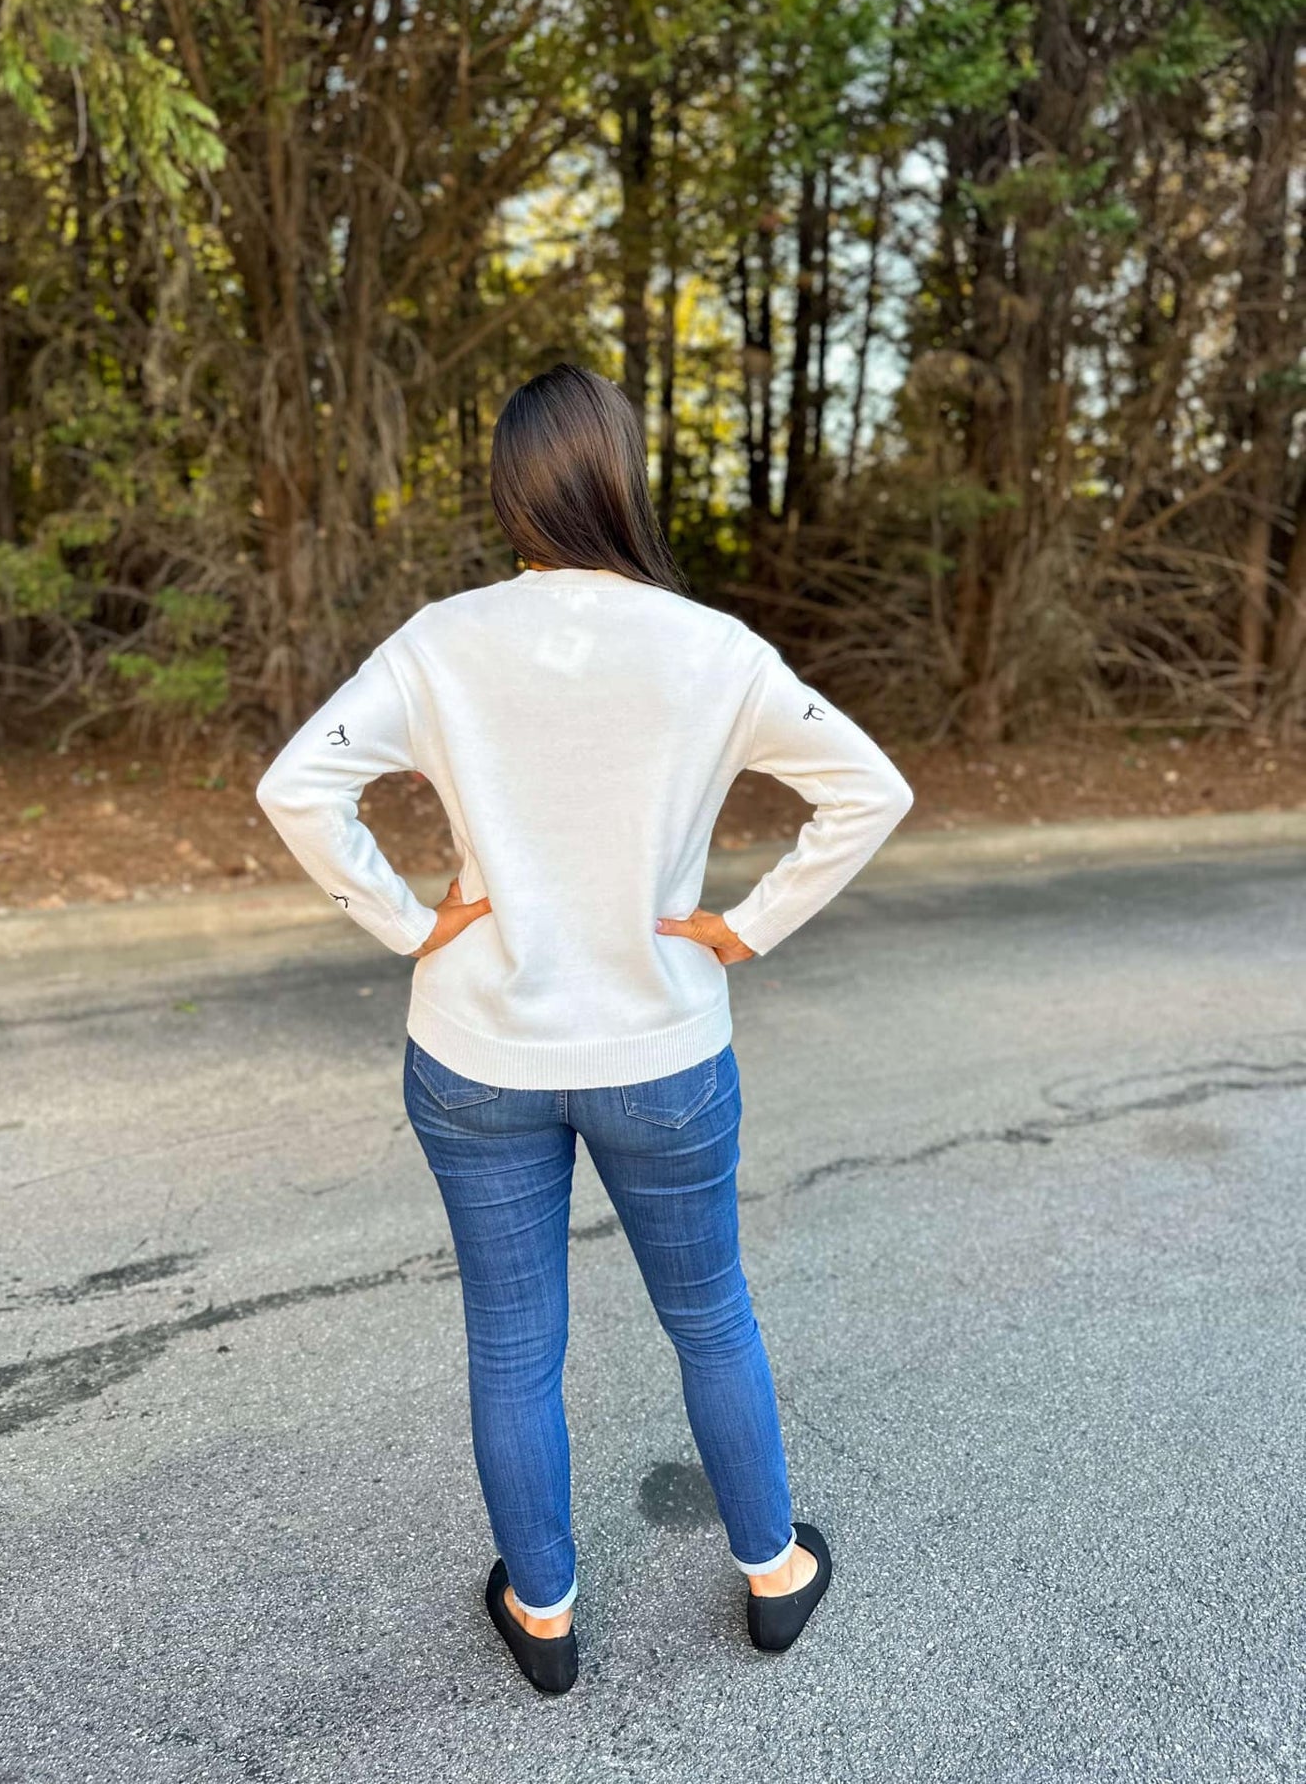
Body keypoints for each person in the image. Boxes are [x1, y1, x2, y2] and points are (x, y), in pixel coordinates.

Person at [256, 362, 913, 1695]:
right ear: (623, 478)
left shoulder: (443, 642)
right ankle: (773, 1572)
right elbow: (870, 789)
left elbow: (296, 783)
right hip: (663, 1050)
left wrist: (398, 920)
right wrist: (747, 925)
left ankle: (543, 1612)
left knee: (511, 1336)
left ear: (512, 489)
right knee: (710, 1311)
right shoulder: (707, 650)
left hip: (475, 1050)